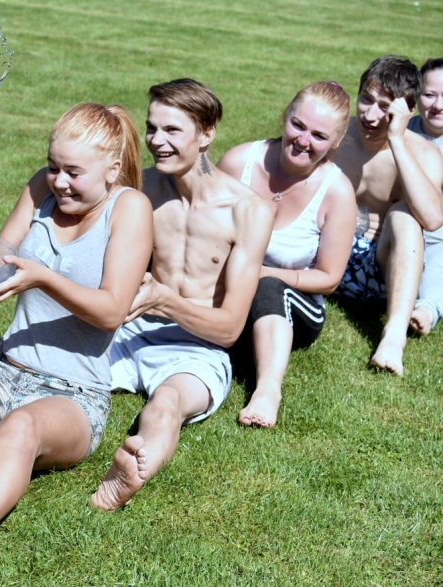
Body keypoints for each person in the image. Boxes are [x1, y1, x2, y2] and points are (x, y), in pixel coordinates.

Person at [0, 103, 153, 567]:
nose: (59, 181)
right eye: (53, 167)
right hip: (4, 372)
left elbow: (111, 310)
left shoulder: (129, 208)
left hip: (74, 396)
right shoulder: (40, 189)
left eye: (73, 172)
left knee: (20, 428)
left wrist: (44, 277)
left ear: (111, 169)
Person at [89, 79, 274, 511]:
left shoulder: (248, 211)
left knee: (168, 401)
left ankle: (134, 468)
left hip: (197, 348)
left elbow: (229, 329)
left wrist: (163, 299)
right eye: (153, 129)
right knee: (51, 367)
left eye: (173, 131)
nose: (157, 141)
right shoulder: (141, 189)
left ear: (207, 134)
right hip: (130, 326)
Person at [217, 81, 357, 428]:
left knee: (268, 288)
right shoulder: (239, 162)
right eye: (298, 125)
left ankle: (267, 390)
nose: (303, 141)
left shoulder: (337, 192)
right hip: (227, 289)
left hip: (292, 300)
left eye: (319, 136)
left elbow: (328, 278)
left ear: (336, 142)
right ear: (285, 116)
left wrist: (261, 274)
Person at [331, 55, 443, 375]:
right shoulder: (338, 134)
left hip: (375, 270)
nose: (370, 114)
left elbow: (433, 218)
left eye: (384, 107)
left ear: (407, 111)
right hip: (323, 251)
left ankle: (393, 338)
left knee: (405, 215)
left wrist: (396, 139)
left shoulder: (423, 153)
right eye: (366, 99)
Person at [407, 58, 443, 335]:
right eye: (430, 95)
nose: (438, 105)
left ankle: (428, 309)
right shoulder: (402, 131)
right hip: (400, 224)